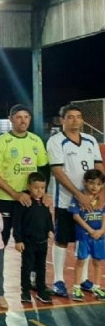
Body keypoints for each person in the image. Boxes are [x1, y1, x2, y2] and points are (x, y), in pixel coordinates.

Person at [46, 104, 104, 297]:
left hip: (91, 202)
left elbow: (98, 167)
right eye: (70, 117)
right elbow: (57, 171)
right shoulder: (56, 141)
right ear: (62, 120)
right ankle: (59, 280)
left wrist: (101, 192)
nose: (75, 120)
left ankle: (84, 280)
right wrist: (78, 195)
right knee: (62, 240)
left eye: (78, 117)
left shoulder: (90, 140)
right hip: (66, 202)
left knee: (85, 239)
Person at [0, 104, 49, 247]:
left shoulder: (36, 140)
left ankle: (29, 271)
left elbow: (43, 168)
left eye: (26, 117)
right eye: (18, 117)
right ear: (11, 119)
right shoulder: (1, 142)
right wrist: (15, 194)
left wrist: (44, 193)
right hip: (7, 199)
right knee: (1, 240)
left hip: (29, 200)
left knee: (30, 241)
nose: (23, 120)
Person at [13, 172, 54, 304]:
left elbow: (48, 217)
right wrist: (18, 240)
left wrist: (50, 229)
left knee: (41, 267)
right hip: (28, 242)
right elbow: (17, 222)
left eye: (42, 188)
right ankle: (25, 291)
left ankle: (41, 290)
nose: (39, 191)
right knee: (27, 267)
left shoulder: (44, 202)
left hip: (42, 241)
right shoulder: (24, 202)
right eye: (36, 188)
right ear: (29, 186)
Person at [68, 169, 105, 301]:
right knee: (81, 261)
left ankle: (96, 287)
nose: (95, 187)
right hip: (84, 236)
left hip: (99, 237)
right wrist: (90, 230)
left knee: (97, 261)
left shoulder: (101, 199)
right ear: (85, 183)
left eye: (98, 184)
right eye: (92, 183)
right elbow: (76, 216)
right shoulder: (79, 197)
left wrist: (101, 231)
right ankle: (77, 287)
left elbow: (104, 216)